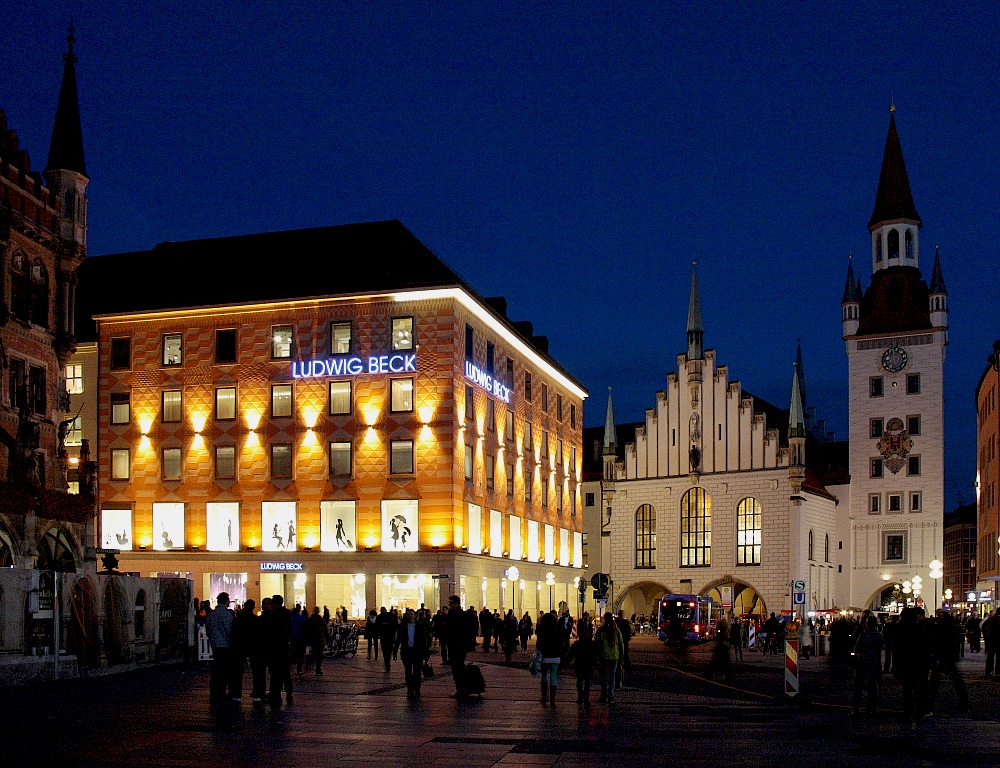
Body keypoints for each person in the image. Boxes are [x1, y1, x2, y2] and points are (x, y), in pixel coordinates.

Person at [930, 611, 969, 713]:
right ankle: (964, 701)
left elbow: (941, 640)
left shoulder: (945, 627)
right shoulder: (951, 626)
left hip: (946, 655)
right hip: (948, 655)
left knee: (937, 680)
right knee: (954, 679)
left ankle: (930, 701)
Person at [205, 592, 237, 703]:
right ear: (226, 601)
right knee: (226, 670)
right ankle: (223, 691)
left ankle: (215, 691)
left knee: (216, 670)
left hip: (216, 645)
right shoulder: (227, 614)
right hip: (226, 645)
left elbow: (208, 629)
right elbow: (230, 629)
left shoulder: (211, 614)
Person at [262, 594, 293, 706]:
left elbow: (269, 630)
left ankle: (276, 693)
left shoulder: (274, 616)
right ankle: (288, 692)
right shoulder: (287, 614)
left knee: (275, 672)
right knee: (284, 672)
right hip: (283, 646)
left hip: (275, 647)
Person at [851, 615, 883, 717]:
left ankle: (856, 708)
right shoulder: (879, 635)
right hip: (875, 662)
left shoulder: (863, 635)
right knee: (873, 686)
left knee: (858, 686)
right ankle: (873, 708)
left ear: (867, 624)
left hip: (863, 662)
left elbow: (857, 648)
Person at [396, 608, 429, 697]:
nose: (410, 615)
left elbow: (424, 640)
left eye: (411, 614)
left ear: (415, 615)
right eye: (408, 614)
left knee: (417, 672)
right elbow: (398, 639)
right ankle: (410, 689)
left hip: (417, 652)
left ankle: (417, 689)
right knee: (408, 672)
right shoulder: (403, 626)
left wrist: (425, 653)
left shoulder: (419, 626)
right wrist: (395, 650)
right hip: (407, 652)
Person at [445, 595, 471, 698]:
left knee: (459, 666)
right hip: (452, 645)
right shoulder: (450, 614)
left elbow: (466, 630)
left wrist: (465, 643)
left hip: (460, 646)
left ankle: (463, 688)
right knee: (455, 668)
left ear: (456, 603)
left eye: (451, 603)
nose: (450, 605)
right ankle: (459, 689)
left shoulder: (462, 615)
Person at [595, 612, 624, 703]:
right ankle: (611, 696)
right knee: (612, 676)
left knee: (603, 676)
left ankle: (604, 694)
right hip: (614, 656)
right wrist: (621, 657)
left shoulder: (600, 631)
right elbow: (621, 644)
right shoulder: (616, 630)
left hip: (603, 656)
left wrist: (596, 656)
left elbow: (597, 644)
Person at [566, 619, 596, 706]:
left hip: (580, 665)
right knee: (586, 682)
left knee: (581, 682)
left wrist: (564, 662)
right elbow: (595, 654)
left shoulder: (577, 644)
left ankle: (582, 698)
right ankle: (585, 698)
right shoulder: (591, 644)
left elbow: (570, 655)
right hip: (587, 665)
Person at [536, 611, 562, 706]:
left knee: (544, 676)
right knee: (553, 677)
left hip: (545, 657)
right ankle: (552, 700)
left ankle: (544, 695)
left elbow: (538, 645)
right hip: (555, 657)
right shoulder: (557, 629)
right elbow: (560, 644)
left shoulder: (542, 631)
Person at [304, 606, 329, 675]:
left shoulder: (311, 619)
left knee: (314, 653)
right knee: (319, 655)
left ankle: (308, 665)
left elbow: (307, 629)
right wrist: (327, 638)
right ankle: (317, 669)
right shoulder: (320, 620)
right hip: (319, 639)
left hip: (313, 639)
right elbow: (325, 629)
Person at [615, 611, 633, 688]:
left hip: (624, 640)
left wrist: (627, 638)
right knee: (622, 654)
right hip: (619, 641)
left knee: (625, 654)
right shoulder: (617, 622)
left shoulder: (624, 622)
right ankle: (622, 667)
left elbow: (628, 631)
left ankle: (627, 667)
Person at [376, 607, 397, 672]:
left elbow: (377, 627)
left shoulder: (379, 617)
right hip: (390, 636)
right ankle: (387, 662)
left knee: (385, 650)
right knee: (389, 650)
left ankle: (386, 662)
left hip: (383, 636)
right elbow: (395, 626)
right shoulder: (391, 616)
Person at [291, 605, 307, 674]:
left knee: (293, 653)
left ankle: (290, 668)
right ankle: (299, 669)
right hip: (300, 638)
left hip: (292, 638)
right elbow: (304, 627)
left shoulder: (291, 617)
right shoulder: (301, 618)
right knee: (300, 655)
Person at [983, 609, 999, 677]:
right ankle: (997, 671)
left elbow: (983, 626)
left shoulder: (991, 619)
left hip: (991, 641)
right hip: (996, 641)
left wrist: (986, 636)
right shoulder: (994, 620)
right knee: (997, 657)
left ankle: (989, 671)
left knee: (990, 656)